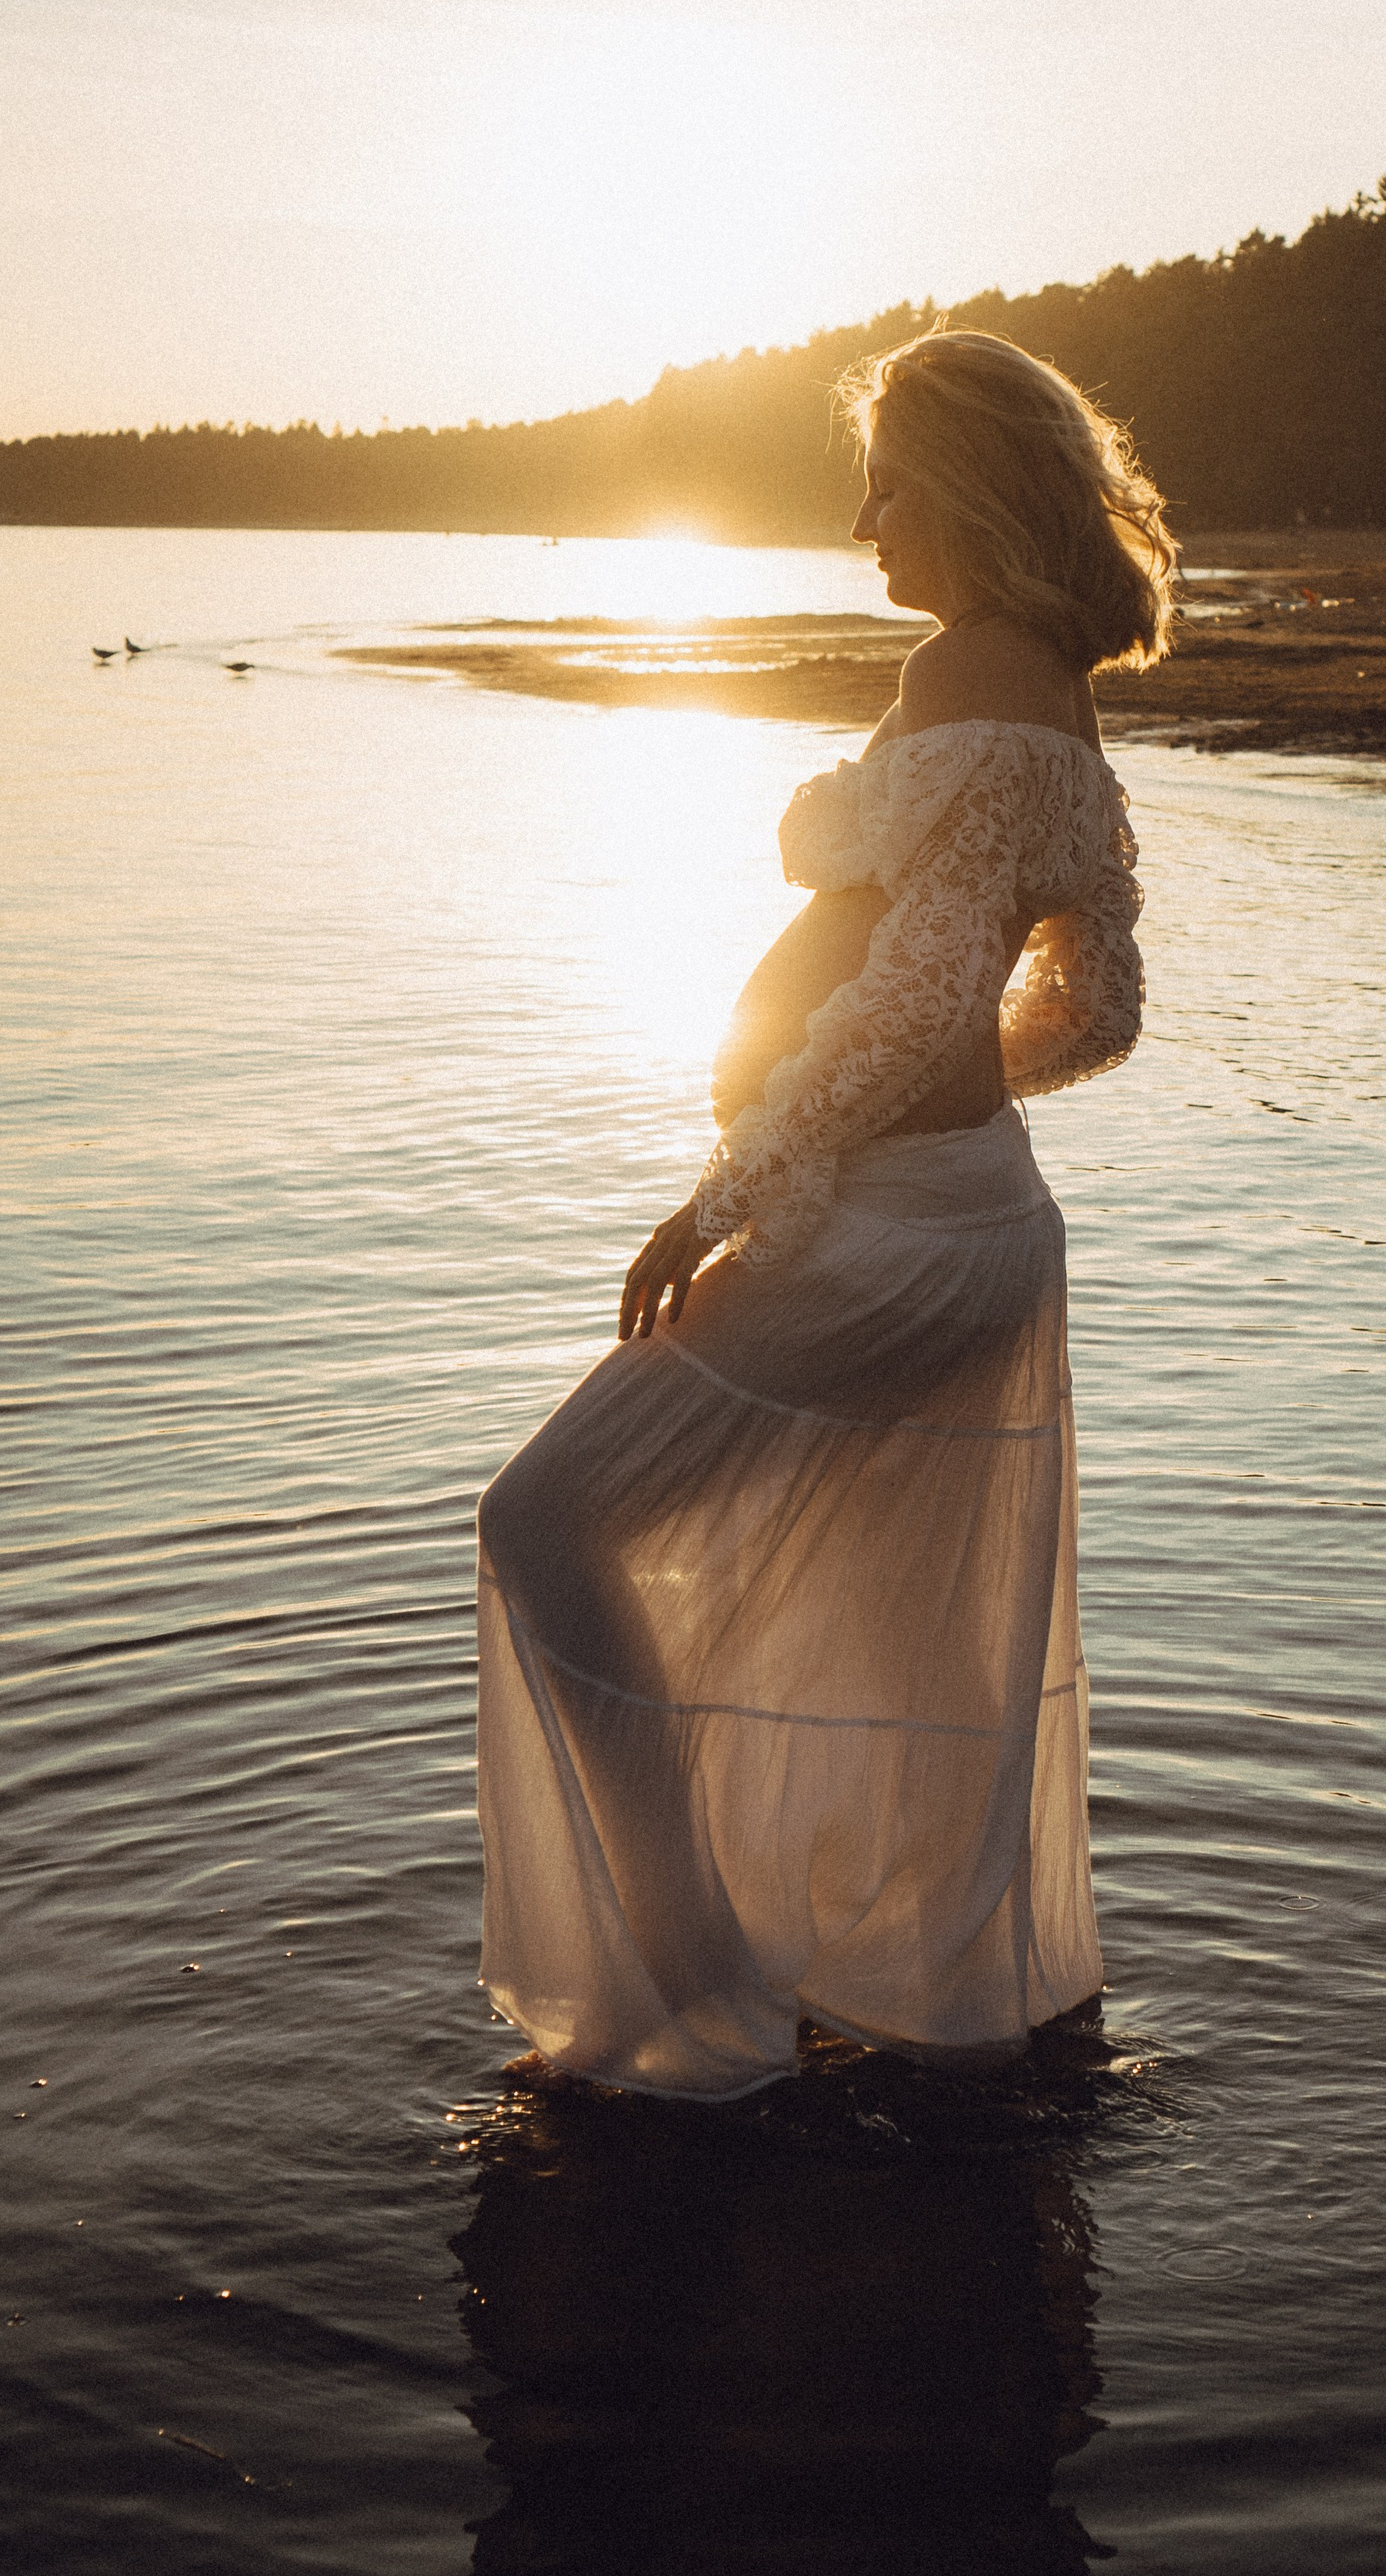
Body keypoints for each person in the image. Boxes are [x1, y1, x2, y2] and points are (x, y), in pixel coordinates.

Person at [476, 328, 1174, 2100]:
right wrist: (934, 1110)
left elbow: (910, 998)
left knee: (545, 1518)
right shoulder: (1048, 688)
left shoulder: (966, 676)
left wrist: (729, 1187)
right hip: (969, 1219)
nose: (863, 517)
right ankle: (875, 1996)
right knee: (883, 1623)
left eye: (889, 480)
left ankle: (692, 1953)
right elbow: (1087, 1009)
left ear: (973, 485)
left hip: (887, 1227)